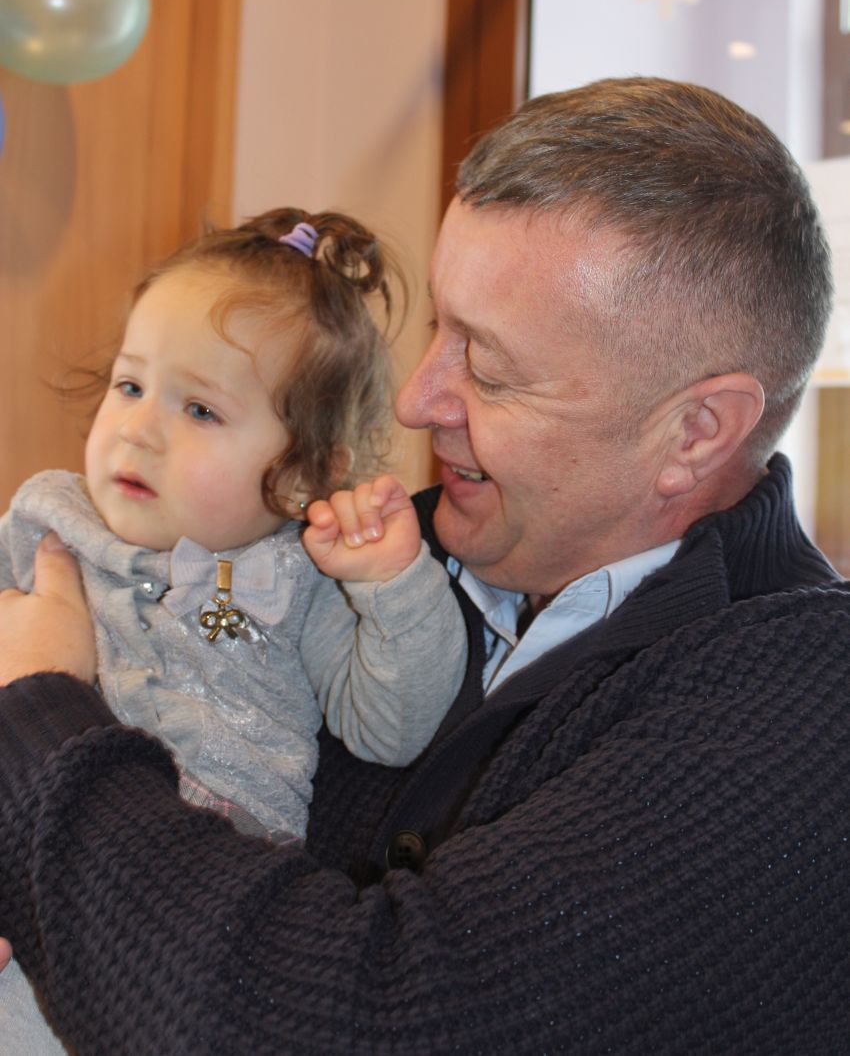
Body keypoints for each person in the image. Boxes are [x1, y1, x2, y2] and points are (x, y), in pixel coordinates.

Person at [0, 76, 849, 1054]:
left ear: (695, 431)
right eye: (437, 328)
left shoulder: (804, 711)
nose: (414, 400)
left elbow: (355, 1024)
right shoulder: (351, 555)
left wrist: (35, 712)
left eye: (487, 367)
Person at [0, 207, 466, 1052]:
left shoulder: (306, 585)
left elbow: (395, 725)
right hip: (33, 893)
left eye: (200, 409)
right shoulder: (46, 528)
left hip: (200, 937)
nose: (138, 427)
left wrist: (393, 581)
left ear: (306, 473)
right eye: (129, 385)